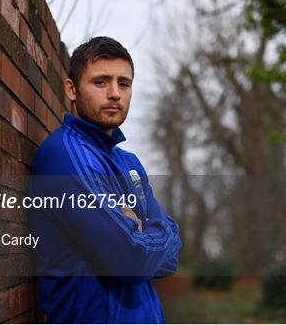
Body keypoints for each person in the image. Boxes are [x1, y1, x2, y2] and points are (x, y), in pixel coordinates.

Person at [27, 36, 182, 323]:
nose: (115, 93)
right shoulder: (63, 156)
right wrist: (148, 231)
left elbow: (172, 258)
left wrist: (144, 231)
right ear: (71, 90)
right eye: (101, 82)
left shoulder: (129, 163)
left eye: (124, 83)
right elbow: (131, 259)